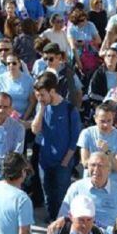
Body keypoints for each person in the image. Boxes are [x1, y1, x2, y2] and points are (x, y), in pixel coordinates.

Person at [32, 72, 81, 220]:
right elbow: (35, 129)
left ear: (52, 91)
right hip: (45, 160)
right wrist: (41, 109)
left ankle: (62, 222)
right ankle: (52, 219)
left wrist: (66, 161)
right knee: (48, 194)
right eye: (37, 95)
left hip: (63, 161)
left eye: (42, 95)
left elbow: (74, 138)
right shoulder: (43, 106)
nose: (39, 98)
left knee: (61, 195)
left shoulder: (69, 109)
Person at [58, 152, 117, 229]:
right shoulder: (76, 188)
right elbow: (62, 216)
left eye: (100, 165)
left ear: (109, 170)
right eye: (93, 165)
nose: (96, 169)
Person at [78, 103, 117, 185]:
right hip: (90, 183)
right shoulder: (86, 134)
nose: (106, 125)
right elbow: (85, 163)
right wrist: (106, 164)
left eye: (109, 121)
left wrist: (107, 151)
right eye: (102, 121)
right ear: (95, 119)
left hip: (112, 184)